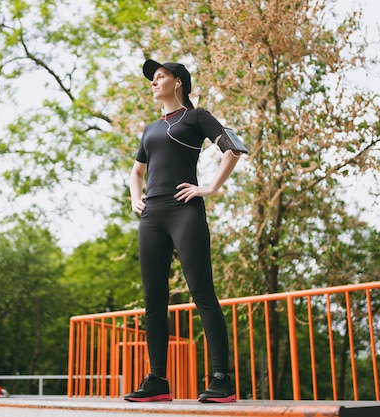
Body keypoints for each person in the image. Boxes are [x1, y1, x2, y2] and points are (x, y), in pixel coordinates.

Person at [124, 59, 243, 403]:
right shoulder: (150, 129)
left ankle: (221, 379)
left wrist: (208, 188)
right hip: (151, 216)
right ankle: (158, 380)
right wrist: (136, 199)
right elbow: (136, 172)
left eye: (161, 76)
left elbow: (233, 150)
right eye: (153, 78)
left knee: (202, 292)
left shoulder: (196, 117)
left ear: (179, 83)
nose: (154, 82)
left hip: (185, 211)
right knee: (153, 300)